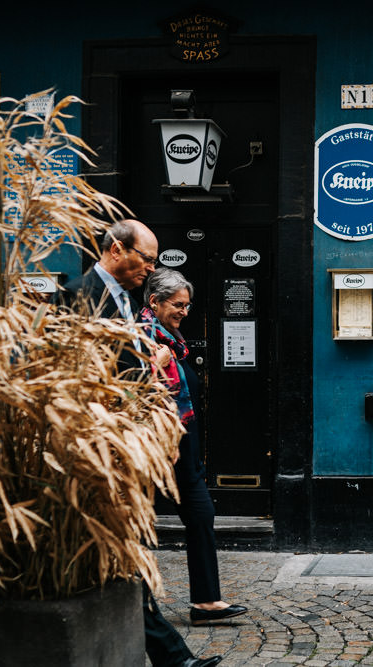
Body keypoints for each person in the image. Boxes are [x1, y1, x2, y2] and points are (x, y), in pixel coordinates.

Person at [56, 220, 222, 667]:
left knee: (123, 552)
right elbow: (84, 377)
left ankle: (173, 656)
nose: (150, 269)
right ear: (115, 249)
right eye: (146, 258)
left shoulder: (124, 298)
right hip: (101, 446)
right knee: (121, 551)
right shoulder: (80, 294)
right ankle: (174, 657)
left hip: (126, 444)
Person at [139, 268, 248, 626]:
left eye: (187, 305)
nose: (185, 311)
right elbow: (130, 392)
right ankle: (130, 602)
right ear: (154, 302)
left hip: (182, 449)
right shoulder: (141, 339)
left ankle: (205, 602)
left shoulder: (171, 340)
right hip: (154, 448)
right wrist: (154, 367)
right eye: (178, 304)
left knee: (201, 514)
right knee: (137, 524)